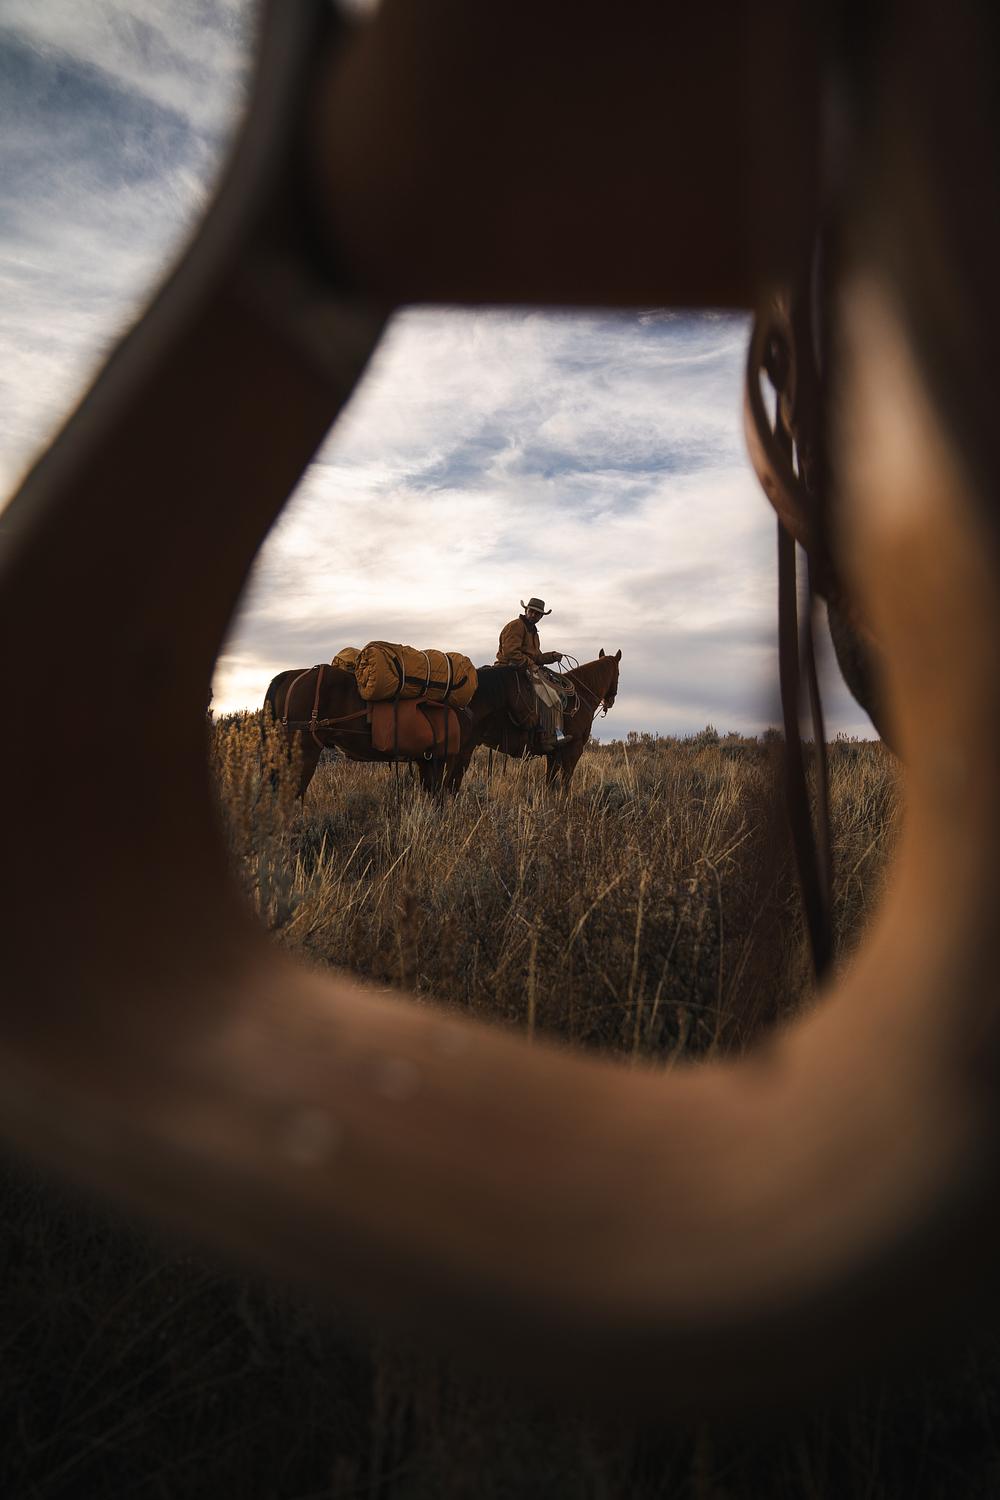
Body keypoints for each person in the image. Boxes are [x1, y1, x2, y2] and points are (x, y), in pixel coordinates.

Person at [495, 598, 568, 750]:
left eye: (538, 613)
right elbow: (510, 652)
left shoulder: (533, 632)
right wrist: (531, 664)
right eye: (532, 611)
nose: (534, 615)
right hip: (510, 668)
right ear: (526, 610)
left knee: (555, 688)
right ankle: (545, 735)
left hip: (525, 668)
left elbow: (537, 657)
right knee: (549, 695)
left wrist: (552, 656)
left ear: (541, 616)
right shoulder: (516, 626)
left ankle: (550, 732)